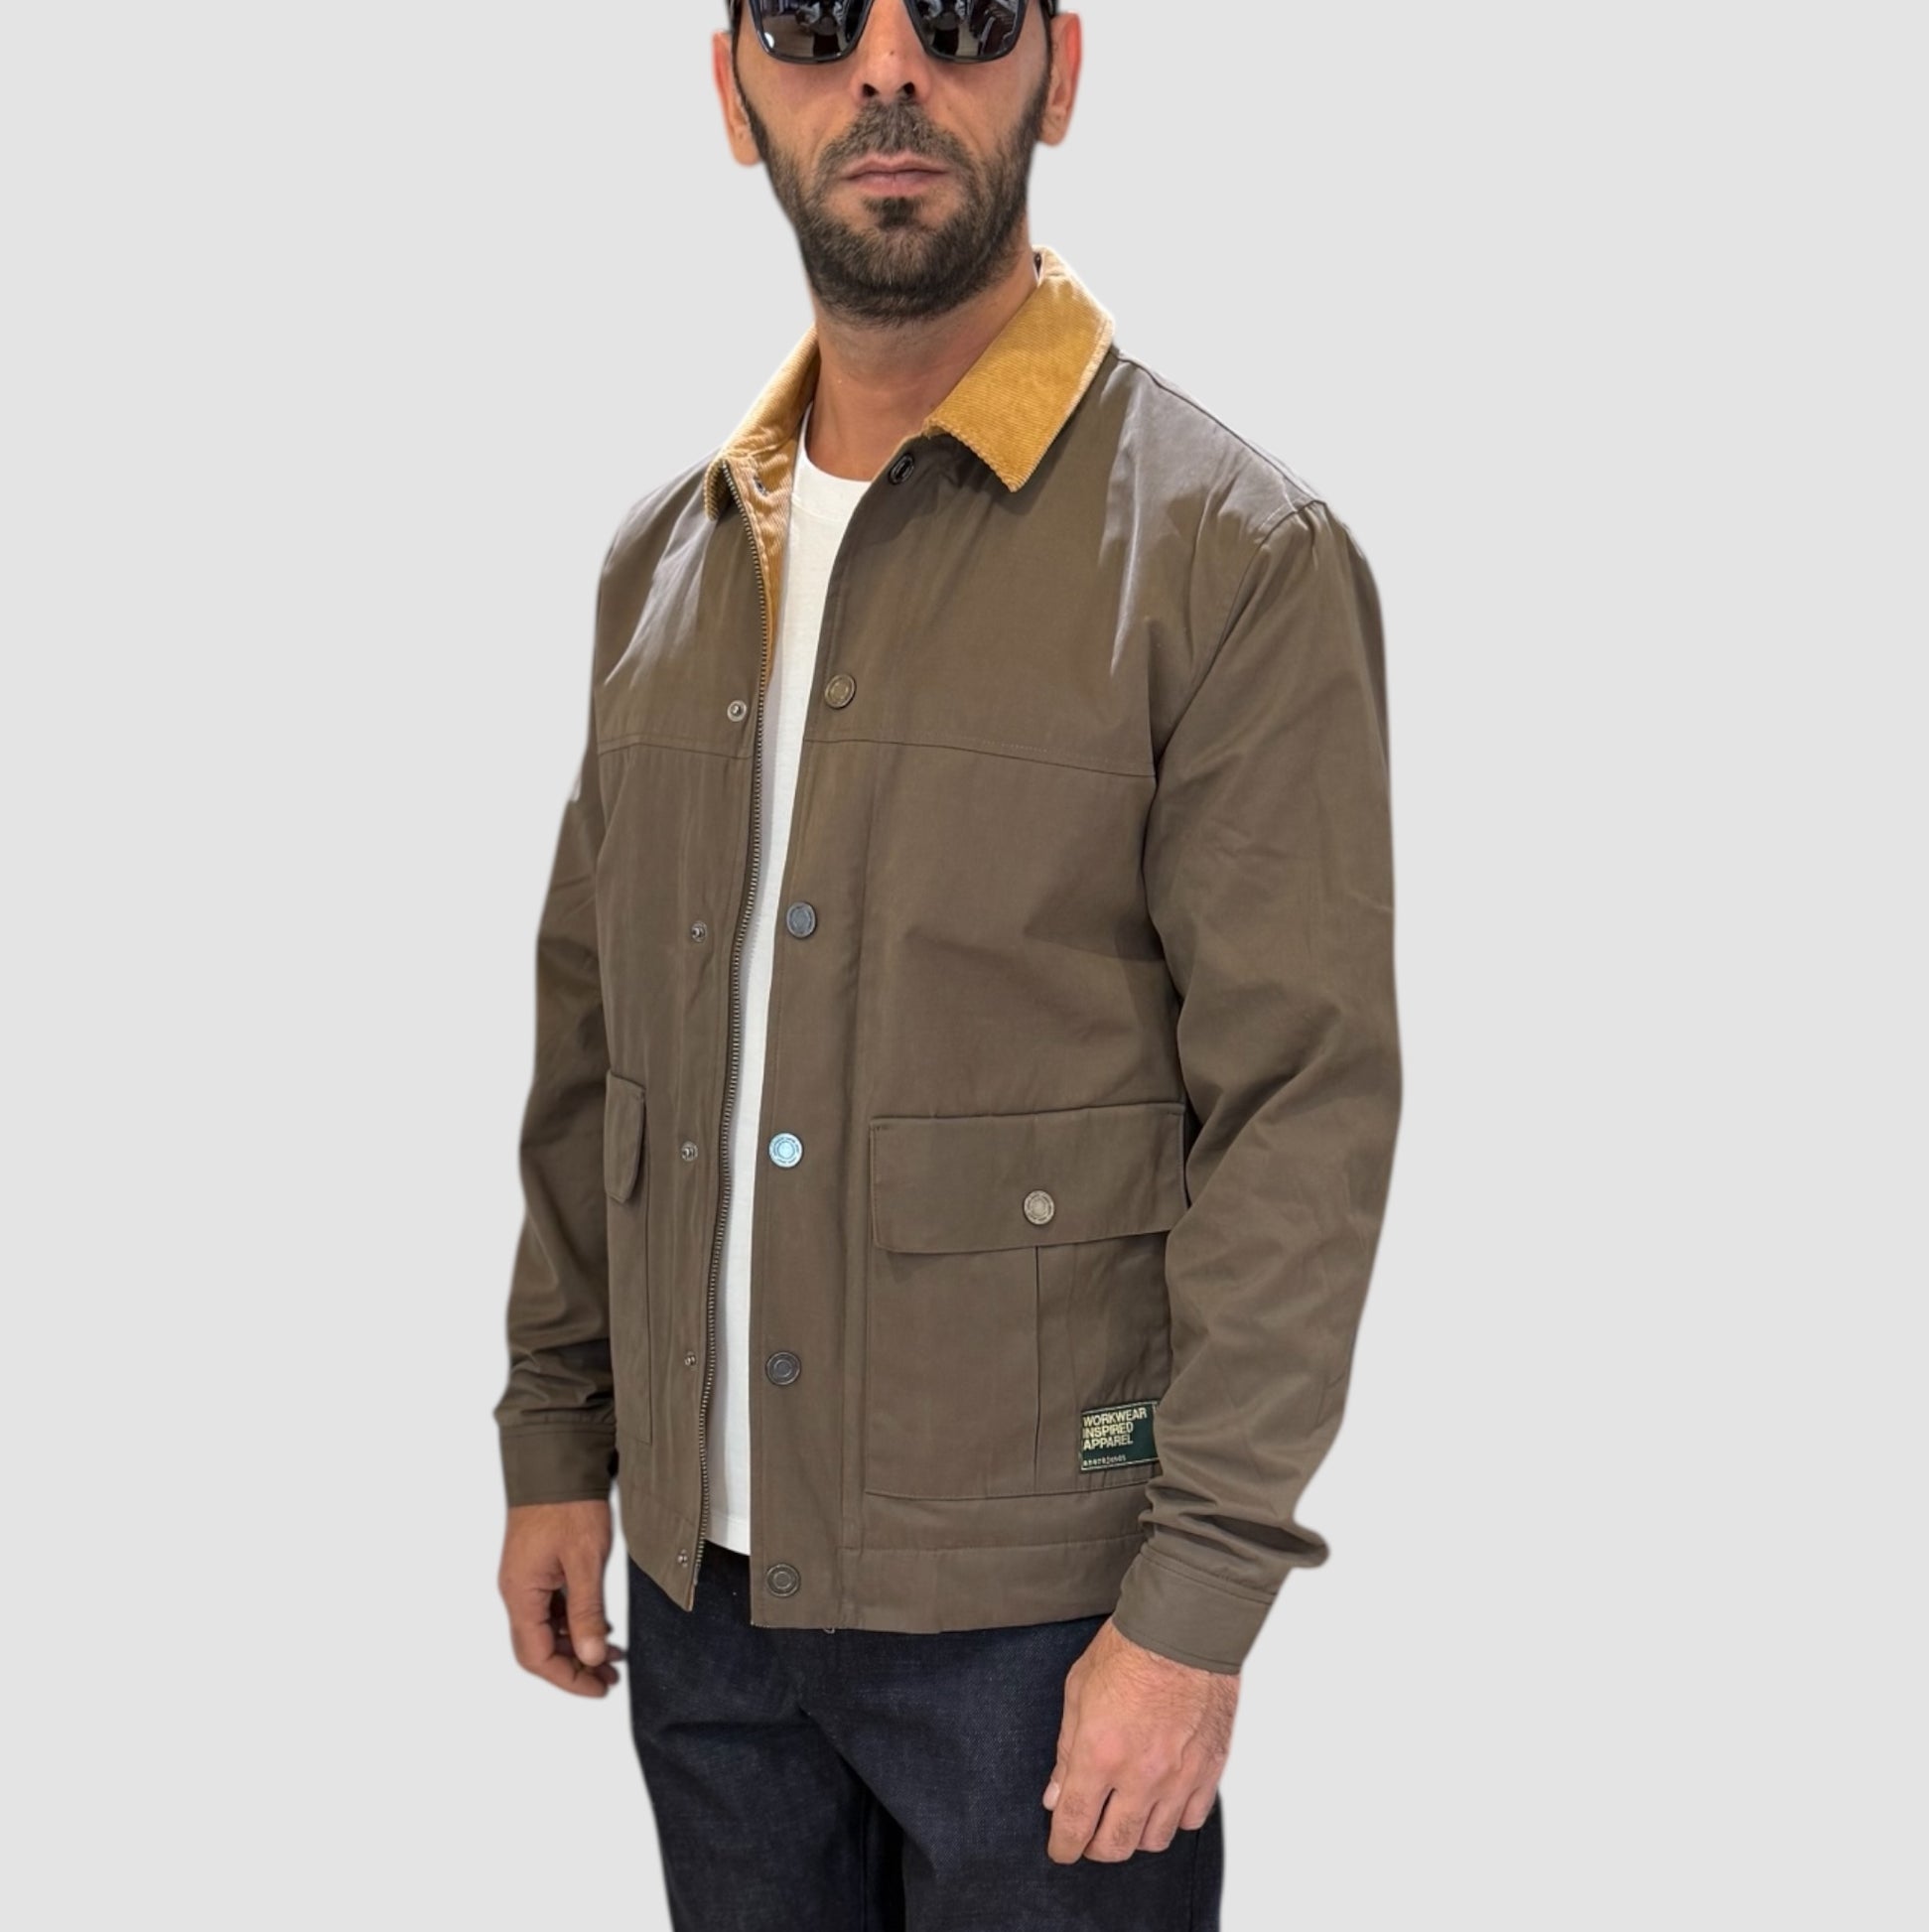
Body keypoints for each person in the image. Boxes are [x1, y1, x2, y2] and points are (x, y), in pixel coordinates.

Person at [491, 2, 1402, 1924]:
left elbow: (1299, 1110)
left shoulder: (1230, 558)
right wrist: (555, 1431)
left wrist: (1196, 1603)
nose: (889, 72)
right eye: (817, 23)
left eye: (964, 18)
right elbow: (594, 1041)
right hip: (703, 1613)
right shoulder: (664, 569)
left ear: (1058, 71)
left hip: (1048, 1624)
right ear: (734, 89)